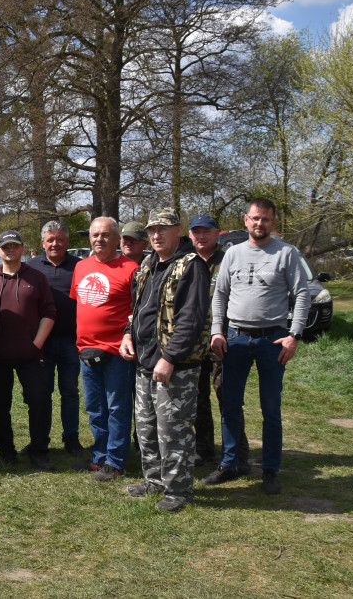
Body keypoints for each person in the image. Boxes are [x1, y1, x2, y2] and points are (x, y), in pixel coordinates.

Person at [205, 198, 311, 495]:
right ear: (246, 220)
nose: (259, 223)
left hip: (272, 339)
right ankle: (230, 463)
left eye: (265, 219)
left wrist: (294, 335)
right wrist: (217, 331)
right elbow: (220, 295)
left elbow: (302, 295)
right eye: (254, 218)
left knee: (271, 408)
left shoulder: (286, 253)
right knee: (230, 405)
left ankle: (270, 469)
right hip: (236, 338)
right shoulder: (233, 254)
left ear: (273, 222)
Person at [119, 209, 210, 512]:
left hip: (175, 366)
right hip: (144, 362)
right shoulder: (148, 264)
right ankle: (155, 480)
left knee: (173, 430)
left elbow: (191, 319)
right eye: (152, 230)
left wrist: (170, 357)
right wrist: (127, 334)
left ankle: (179, 490)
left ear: (178, 230)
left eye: (163, 229)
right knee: (146, 429)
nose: (156, 235)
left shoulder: (191, 265)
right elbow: (137, 309)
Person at [70, 216, 138, 481]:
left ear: (117, 239)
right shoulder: (81, 267)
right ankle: (99, 457)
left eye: (106, 235)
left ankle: (115, 461)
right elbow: (81, 304)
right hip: (86, 351)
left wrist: (128, 337)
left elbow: (138, 310)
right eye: (95, 235)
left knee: (117, 408)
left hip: (117, 352)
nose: (100, 239)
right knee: (95, 408)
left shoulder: (131, 268)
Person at [0, 230, 56, 470]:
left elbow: (49, 312)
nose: (10, 250)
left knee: (39, 400)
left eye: (14, 245)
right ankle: (5, 450)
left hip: (30, 355)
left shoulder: (36, 277)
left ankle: (39, 450)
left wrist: (36, 344)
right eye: (5, 246)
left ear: (22, 249)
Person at [187, 215, 249, 471]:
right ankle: (203, 449)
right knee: (197, 397)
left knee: (227, 395)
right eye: (196, 232)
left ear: (216, 233)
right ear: (190, 235)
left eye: (206, 232)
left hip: (222, 338)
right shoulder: (186, 261)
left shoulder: (229, 260)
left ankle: (238, 453)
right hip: (193, 340)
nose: (201, 237)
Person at [26, 221, 87, 457]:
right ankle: (40, 439)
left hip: (71, 340)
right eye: (50, 240)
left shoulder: (80, 266)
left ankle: (71, 438)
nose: (55, 244)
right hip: (42, 342)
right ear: (42, 242)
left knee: (69, 390)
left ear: (68, 242)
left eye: (60, 239)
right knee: (43, 392)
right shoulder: (31, 267)